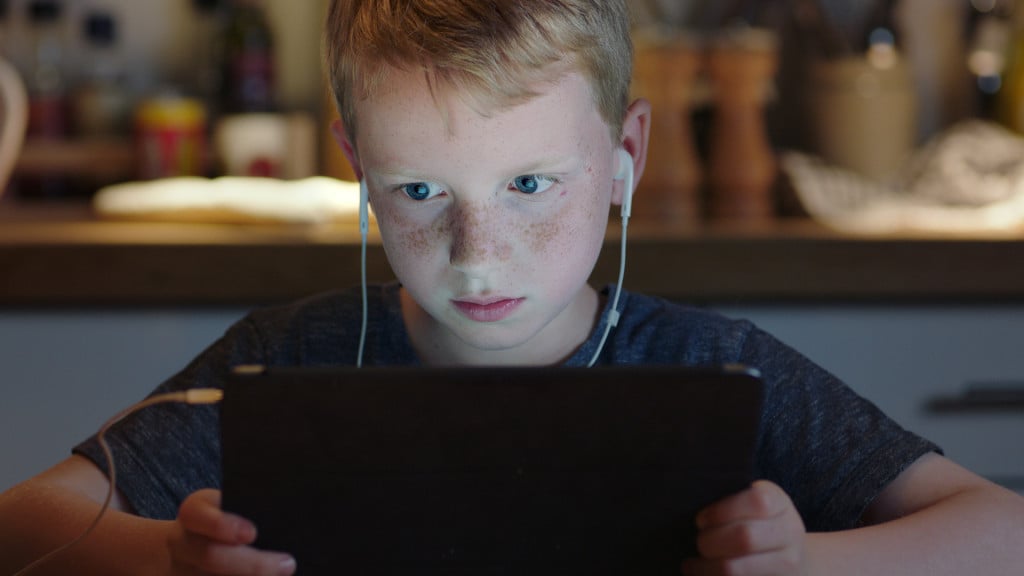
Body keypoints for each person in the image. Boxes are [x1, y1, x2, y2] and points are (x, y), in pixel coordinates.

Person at [2, 0, 1023, 574]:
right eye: (417, 190)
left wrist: (810, 567)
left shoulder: (719, 371)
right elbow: (26, 522)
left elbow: (1000, 531)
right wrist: (167, 561)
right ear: (354, 162)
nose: (476, 250)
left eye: (530, 184)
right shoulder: (290, 362)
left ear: (624, 156)